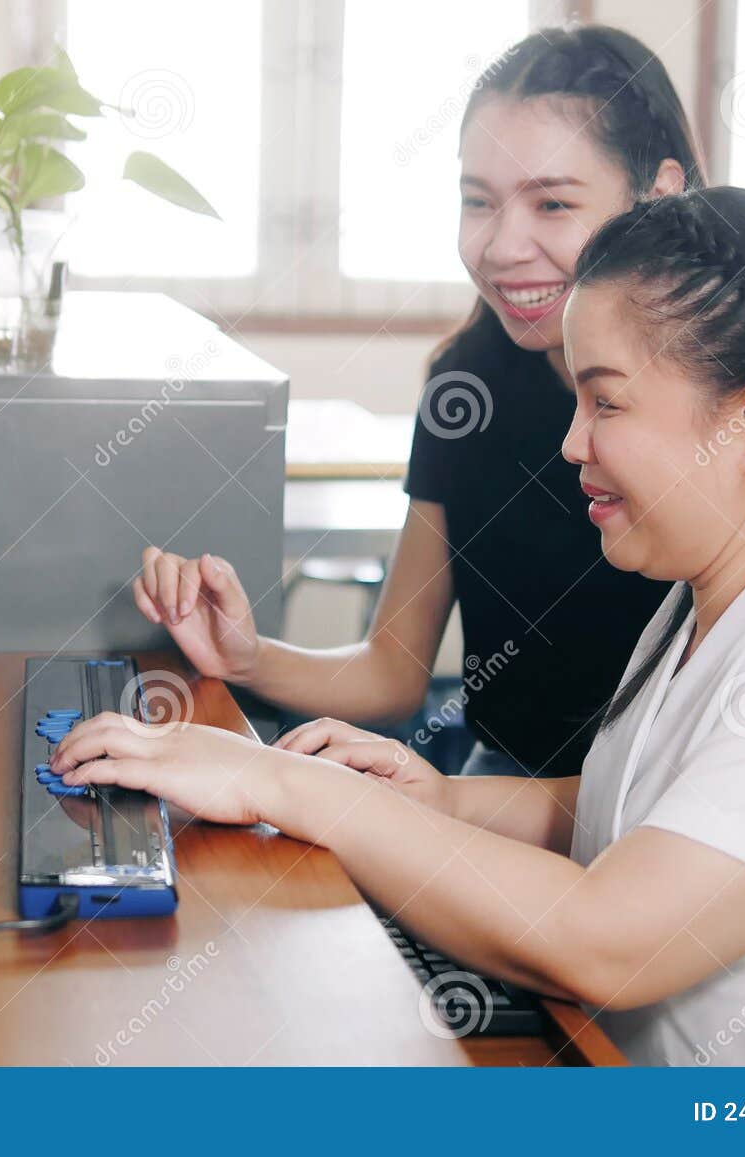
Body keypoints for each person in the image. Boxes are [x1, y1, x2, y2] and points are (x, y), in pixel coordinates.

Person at [54, 187, 745, 1065]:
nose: (572, 441)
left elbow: (610, 940)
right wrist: (437, 799)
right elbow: (653, 809)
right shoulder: (715, 590)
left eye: (604, 400)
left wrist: (286, 781)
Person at [132, 26, 702, 776]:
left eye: (554, 203)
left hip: (674, 812)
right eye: (479, 201)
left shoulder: (723, 394)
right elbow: (395, 669)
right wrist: (244, 654)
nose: (502, 246)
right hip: (504, 781)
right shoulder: (467, 384)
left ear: (658, 194)